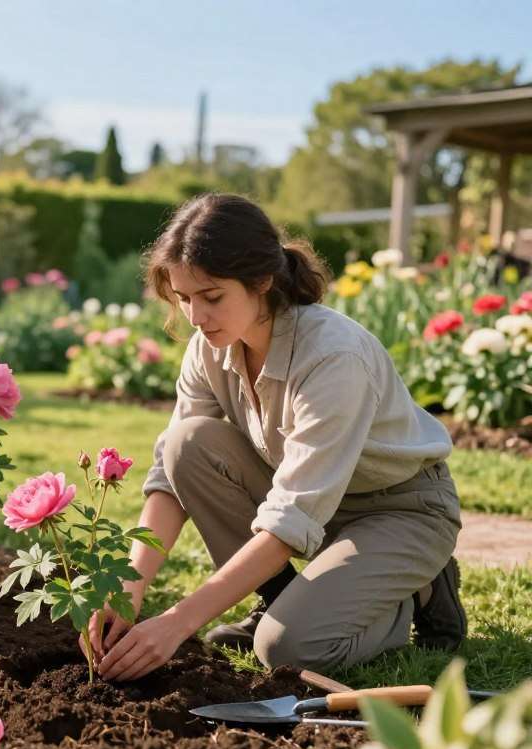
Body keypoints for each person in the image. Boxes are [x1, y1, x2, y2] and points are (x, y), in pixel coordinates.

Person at [84, 193, 466, 682]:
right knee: (186, 443)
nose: (195, 317)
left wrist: (178, 621)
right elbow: (170, 475)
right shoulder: (209, 348)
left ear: (261, 281)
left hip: (399, 509)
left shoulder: (333, 357)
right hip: (316, 508)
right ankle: (285, 599)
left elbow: (291, 520)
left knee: (290, 648)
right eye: (184, 299)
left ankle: (415, 594)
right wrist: (126, 590)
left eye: (212, 296)